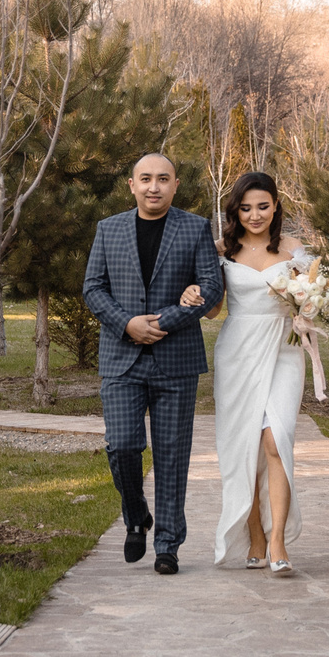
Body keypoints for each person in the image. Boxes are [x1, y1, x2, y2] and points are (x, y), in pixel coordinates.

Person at [82, 152, 223, 574]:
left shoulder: (195, 228)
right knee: (121, 445)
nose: (154, 187)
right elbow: (93, 288)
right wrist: (127, 323)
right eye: (145, 179)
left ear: (175, 184)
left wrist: (162, 320)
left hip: (174, 360)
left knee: (171, 456)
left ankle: (167, 545)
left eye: (163, 179)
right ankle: (136, 513)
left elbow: (212, 288)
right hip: (121, 358)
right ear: (132, 184)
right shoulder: (108, 230)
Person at [182, 171, 310, 575]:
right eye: (246, 207)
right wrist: (192, 294)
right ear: (235, 210)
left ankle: (278, 541)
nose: (255, 215)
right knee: (244, 447)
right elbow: (215, 308)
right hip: (238, 351)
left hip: (283, 350)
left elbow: (307, 304)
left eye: (263, 206)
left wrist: (312, 304)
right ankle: (255, 535)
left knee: (277, 439)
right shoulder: (221, 249)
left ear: (276, 206)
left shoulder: (294, 250)